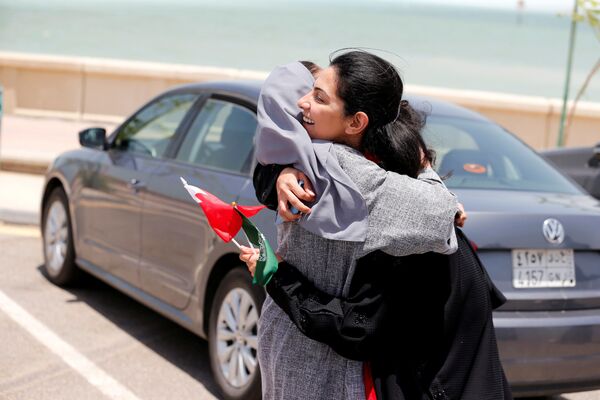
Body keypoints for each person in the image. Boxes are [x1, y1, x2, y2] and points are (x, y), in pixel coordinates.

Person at [247, 51, 461, 400]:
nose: (303, 103)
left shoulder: (301, 157)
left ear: (355, 122)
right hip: (327, 360)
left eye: (318, 97)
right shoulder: (347, 170)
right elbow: (440, 219)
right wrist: (424, 168)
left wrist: (278, 172)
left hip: (291, 339)